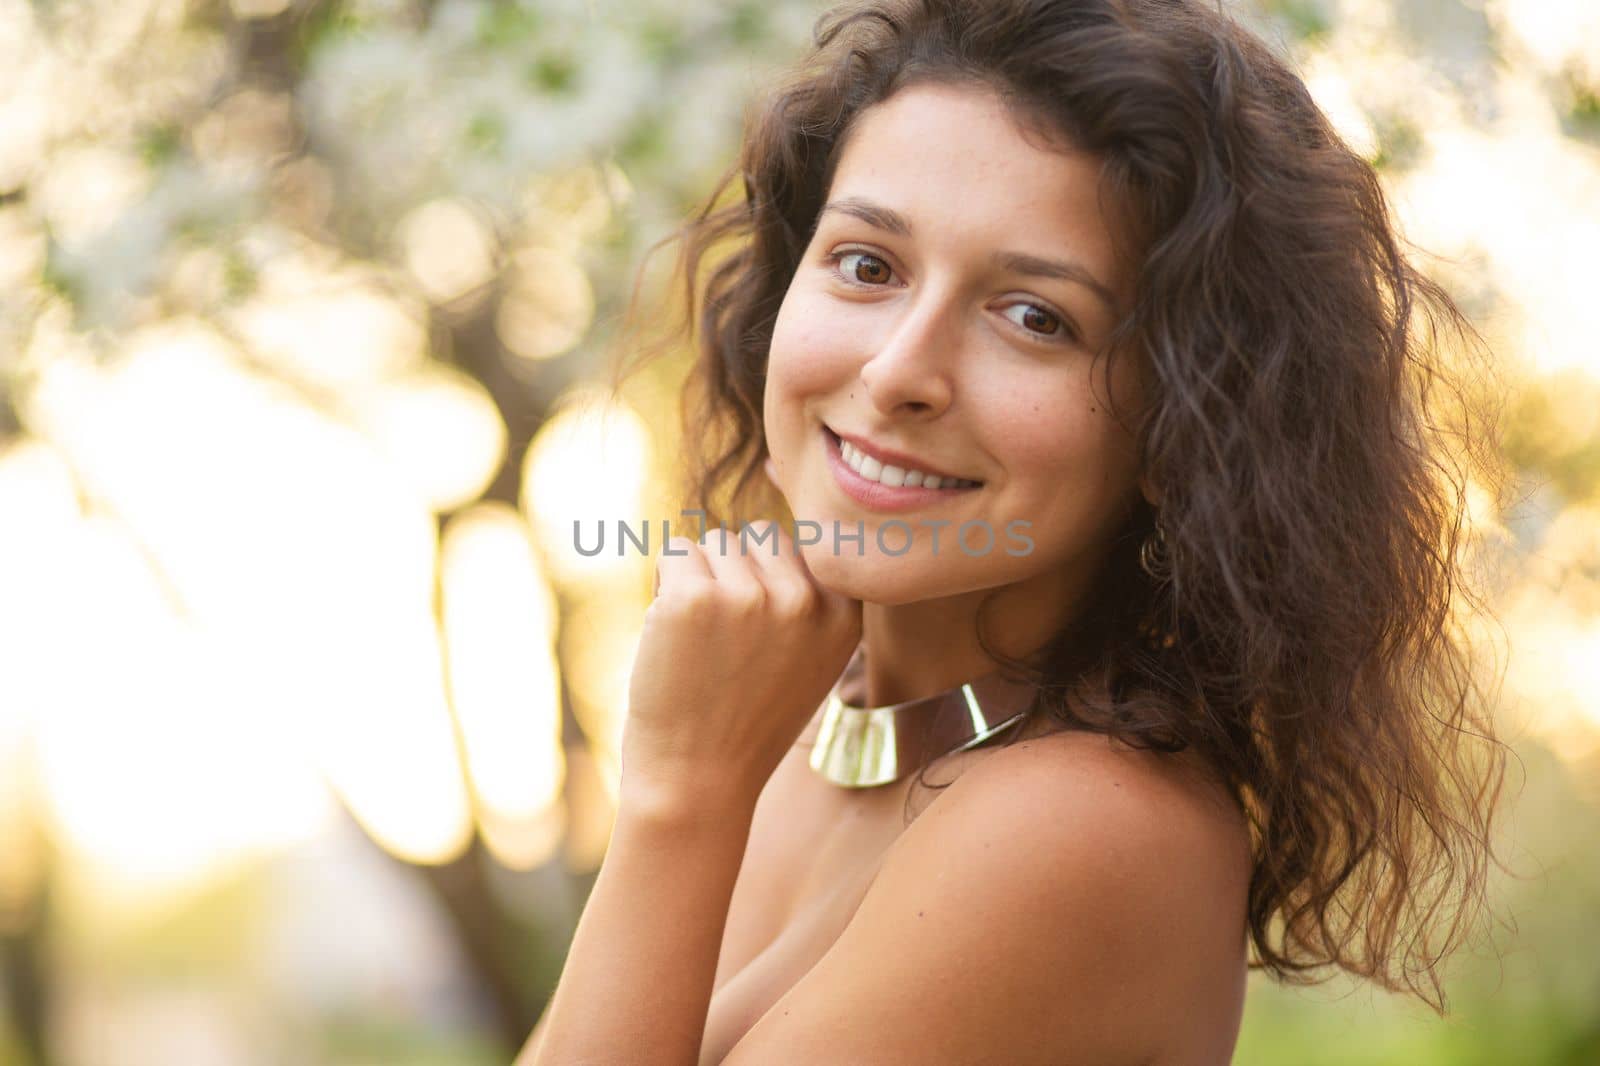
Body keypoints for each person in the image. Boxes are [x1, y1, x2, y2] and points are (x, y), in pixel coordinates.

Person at [518, 0, 1508, 1062]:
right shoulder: (792, 729)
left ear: (1186, 432)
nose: (897, 370)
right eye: (866, 264)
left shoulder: (1087, 823)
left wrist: (681, 798)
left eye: (1035, 317)